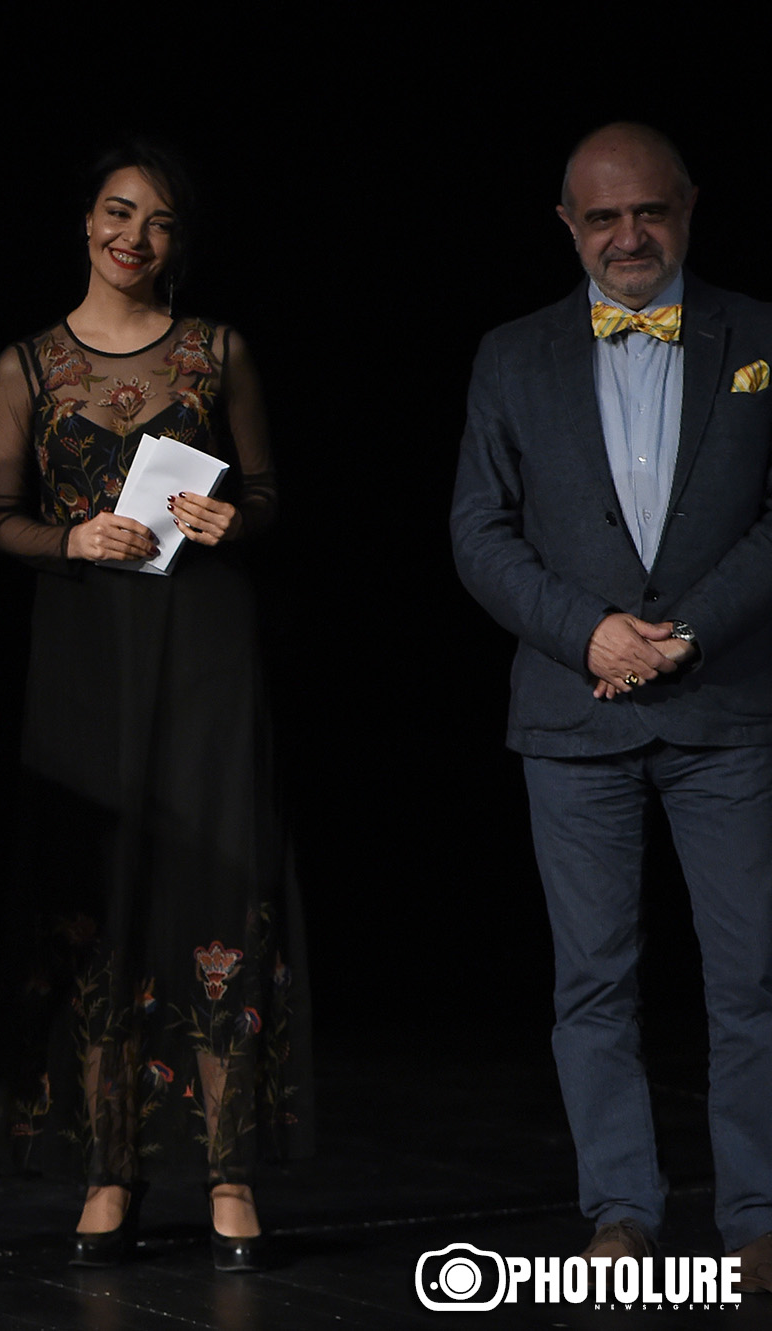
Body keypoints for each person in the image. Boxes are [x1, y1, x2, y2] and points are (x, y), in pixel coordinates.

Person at [0, 142, 308, 1273]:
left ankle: (227, 1169)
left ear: (179, 241)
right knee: (99, 893)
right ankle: (108, 1167)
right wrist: (69, 538)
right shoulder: (28, 363)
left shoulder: (218, 351)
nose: (135, 237)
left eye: (159, 222)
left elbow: (266, 492)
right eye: (119, 213)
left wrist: (234, 520)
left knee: (215, 878)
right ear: (85, 221)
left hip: (204, 644)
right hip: (86, 651)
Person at [452, 122, 772, 1286]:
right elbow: (476, 529)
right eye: (601, 217)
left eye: (647, 211)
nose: (627, 235)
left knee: (750, 976)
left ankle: (756, 1217)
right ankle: (621, 1213)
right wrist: (585, 630)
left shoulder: (758, 336)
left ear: (686, 205)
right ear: (566, 225)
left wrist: (683, 634)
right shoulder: (510, 354)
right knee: (590, 980)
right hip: (569, 714)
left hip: (724, 707)